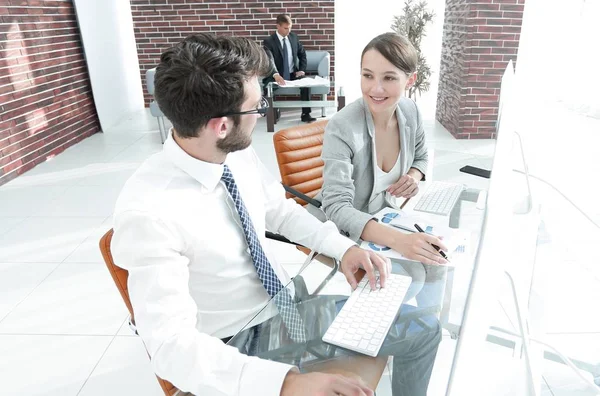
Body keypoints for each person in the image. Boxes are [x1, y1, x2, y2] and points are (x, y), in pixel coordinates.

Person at [111, 33, 397, 396]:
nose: (261, 113)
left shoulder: (235, 154)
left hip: (289, 303)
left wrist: (343, 249)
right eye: (256, 108)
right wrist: (287, 383)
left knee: (416, 328)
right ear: (222, 125)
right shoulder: (150, 211)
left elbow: (279, 212)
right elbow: (169, 348)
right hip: (236, 342)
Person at [311, 32, 449, 307]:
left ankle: (422, 335)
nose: (375, 89)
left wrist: (413, 175)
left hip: (385, 215)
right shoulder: (343, 126)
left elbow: (421, 157)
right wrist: (400, 241)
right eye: (368, 76)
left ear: (410, 80)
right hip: (342, 224)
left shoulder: (410, 111)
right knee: (407, 283)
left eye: (389, 78)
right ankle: (366, 340)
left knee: (436, 261)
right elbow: (336, 207)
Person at [262, 14, 316, 123]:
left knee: (305, 84)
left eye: (290, 27)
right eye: (286, 28)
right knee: (268, 88)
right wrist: (275, 74)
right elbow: (269, 59)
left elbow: (302, 54)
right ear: (278, 26)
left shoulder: (293, 37)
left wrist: (301, 70)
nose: (288, 30)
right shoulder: (269, 41)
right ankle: (273, 112)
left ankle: (306, 114)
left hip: (293, 74)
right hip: (276, 75)